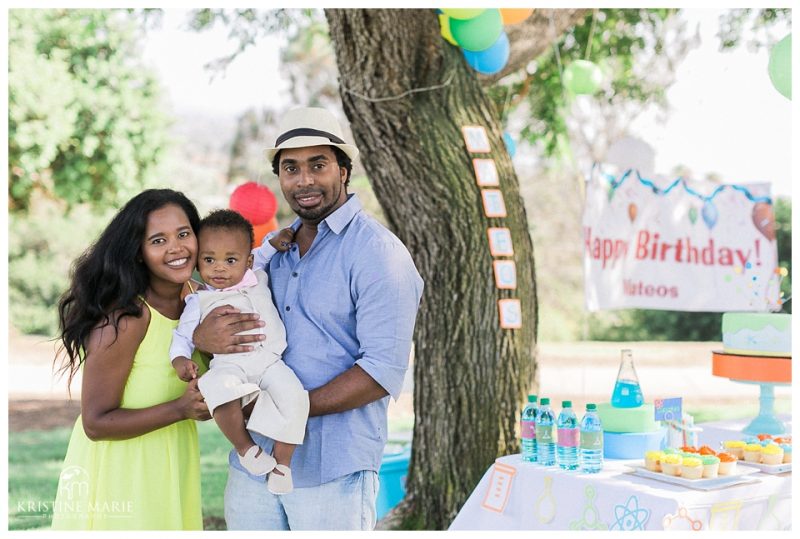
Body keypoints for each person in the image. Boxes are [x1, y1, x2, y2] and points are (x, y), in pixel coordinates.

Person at [192, 107, 424, 530]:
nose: (304, 180)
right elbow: (220, 310)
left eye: (318, 165)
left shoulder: (379, 254)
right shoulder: (269, 254)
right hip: (254, 465)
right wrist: (204, 339)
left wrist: (284, 408)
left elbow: (380, 371)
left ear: (344, 170)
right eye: (290, 168)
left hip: (333, 469)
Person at [51, 189, 211, 530]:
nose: (176, 248)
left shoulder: (203, 301)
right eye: (158, 240)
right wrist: (181, 409)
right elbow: (95, 422)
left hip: (173, 463)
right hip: (120, 474)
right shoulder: (127, 317)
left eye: (184, 234)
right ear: (138, 253)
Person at [169, 209, 307, 494]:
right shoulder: (199, 300)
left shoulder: (256, 276)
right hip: (230, 366)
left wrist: (277, 239)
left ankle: (283, 464)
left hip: (270, 362)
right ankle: (246, 449)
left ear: (247, 261)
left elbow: (264, 252)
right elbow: (183, 335)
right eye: (209, 260)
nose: (219, 268)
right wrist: (180, 358)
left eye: (230, 260)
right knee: (215, 387)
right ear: (198, 261)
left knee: (296, 398)